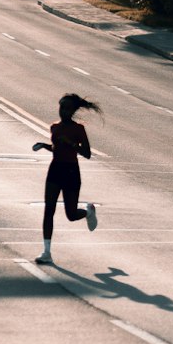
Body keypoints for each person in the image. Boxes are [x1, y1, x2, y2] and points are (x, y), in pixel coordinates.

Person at [31, 93, 100, 265]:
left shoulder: (78, 129)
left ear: (73, 110)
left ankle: (88, 211)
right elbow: (56, 149)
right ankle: (46, 252)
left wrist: (71, 144)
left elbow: (87, 154)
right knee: (49, 210)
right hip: (55, 170)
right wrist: (43, 145)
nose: (63, 111)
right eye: (62, 107)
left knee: (71, 214)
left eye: (67, 108)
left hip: (71, 171)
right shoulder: (54, 127)